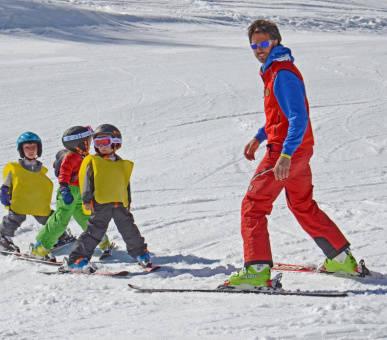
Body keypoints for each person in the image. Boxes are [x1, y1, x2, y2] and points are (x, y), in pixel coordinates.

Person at [224, 20, 364, 289]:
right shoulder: (274, 70)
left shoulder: (283, 74)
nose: (258, 49)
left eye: (263, 43)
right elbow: (280, 116)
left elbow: (298, 118)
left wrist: (285, 155)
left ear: (275, 41)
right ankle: (341, 260)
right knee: (301, 204)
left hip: (286, 152)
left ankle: (256, 272)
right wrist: (259, 136)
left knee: (253, 206)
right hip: (299, 150)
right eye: (254, 45)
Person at [62, 124, 151, 273]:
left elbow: (125, 183)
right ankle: (76, 259)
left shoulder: (120, 162)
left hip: (119, 203)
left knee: (129, 229)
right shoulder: (94, 161)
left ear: (115, 143)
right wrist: (86, 199)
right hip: (100, 203)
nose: (101, 147)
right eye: (98, 143)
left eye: (105, 142)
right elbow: (86, 181)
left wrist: (127, 201)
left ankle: (140, 253)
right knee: (94, 232)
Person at [28, 126, 111, 261]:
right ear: (79, 143)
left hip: (80, 190)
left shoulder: (83, 156)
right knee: (61, 220)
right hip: (69, 191)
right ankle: (39, 248)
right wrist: (65, 189)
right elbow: (64, 173)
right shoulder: (71, 157)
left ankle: (101, 240)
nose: (90, 144)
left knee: (86, 217)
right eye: (87, 141)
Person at [0, 132, 53, 252]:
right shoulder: (15, 168)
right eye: (27, 148)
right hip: (19, 201)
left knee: (47, 216)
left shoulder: (41, 170)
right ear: (21, 150)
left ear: (38, 149)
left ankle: (58, 235)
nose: (31, 150)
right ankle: (3, 237)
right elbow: (6, 184)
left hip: (35, 202)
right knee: (15, 218)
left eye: (33, 147)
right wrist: (4, 192)